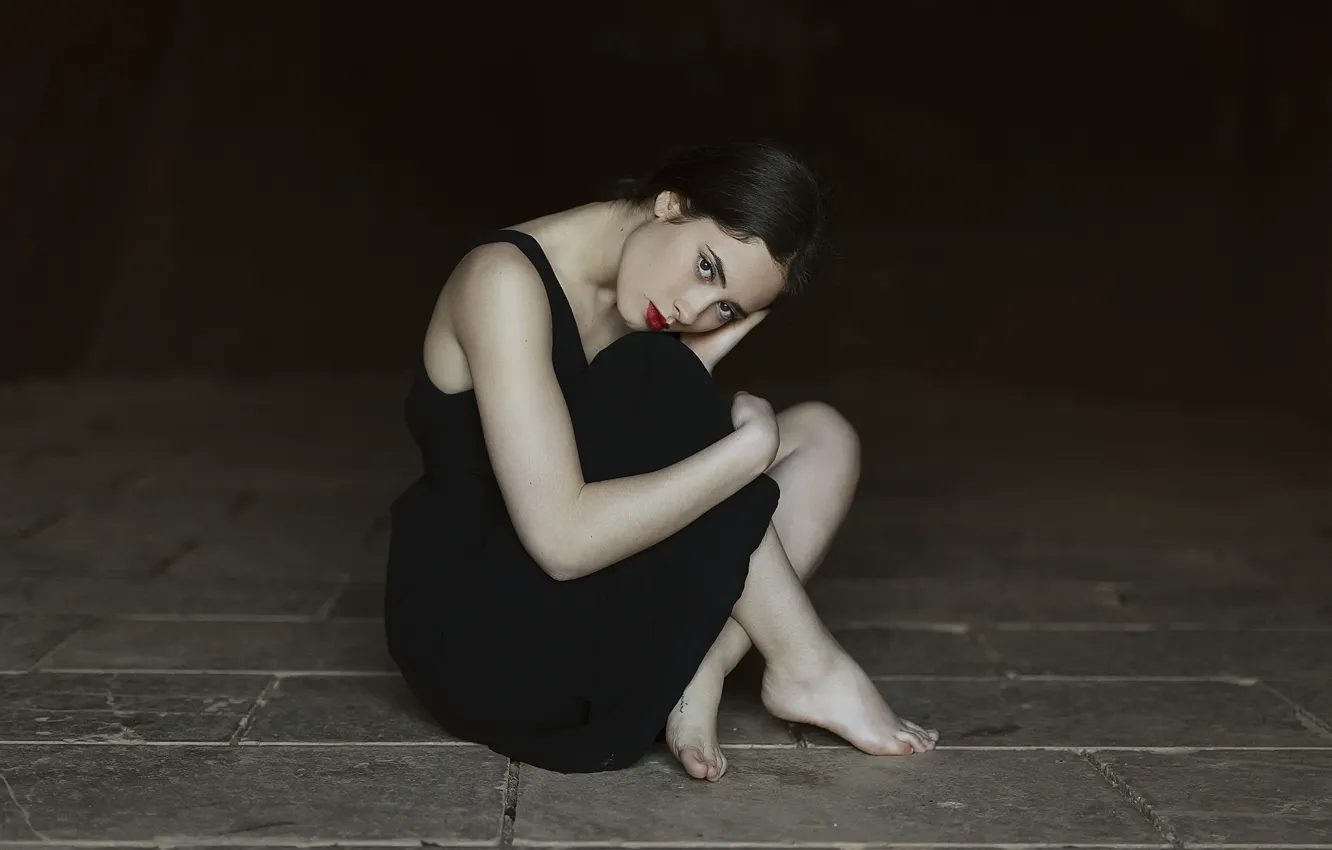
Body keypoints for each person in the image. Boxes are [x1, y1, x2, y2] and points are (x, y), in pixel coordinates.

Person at [384, 141, 938, 781]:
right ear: (671, 203)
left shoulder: (646, 307)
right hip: (483, 646)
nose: (689, 311)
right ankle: (806, 663)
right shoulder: (502, 281)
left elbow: (633, 440)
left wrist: (695, 363)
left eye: (726, 308)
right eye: (706, 267)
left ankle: (705, 665)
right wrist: (743, 453)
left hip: (579, 611)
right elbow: (561, 541)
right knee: (660, 371)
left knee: (823, 434)